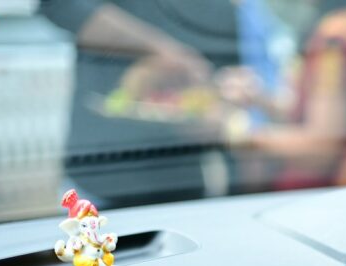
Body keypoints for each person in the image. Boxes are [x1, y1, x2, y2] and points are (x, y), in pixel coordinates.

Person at [38, 1, 257, 206]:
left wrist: (222, 104)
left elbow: (229, 76)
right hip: (102, 168)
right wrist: (161, 50)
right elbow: (60, 4)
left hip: (185, 181)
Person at [220, 0, 346, 189]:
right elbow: (314, 112)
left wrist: (239, 135)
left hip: (339, 193)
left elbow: (322, 148)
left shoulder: (334, 38)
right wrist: (260, 99)